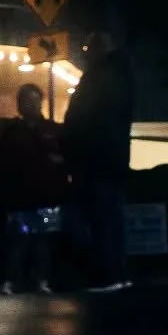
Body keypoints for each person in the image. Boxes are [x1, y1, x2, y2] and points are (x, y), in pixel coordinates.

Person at [62, 31, 136, 292]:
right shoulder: (121, 75)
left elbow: (83, 119)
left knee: (102, 219)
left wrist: (70, 149)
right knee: (113, 217)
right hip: (112, 158)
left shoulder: (99, 77)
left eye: (87, 47)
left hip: (95, 159)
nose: (85, 53)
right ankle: (119, 272)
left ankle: (109, 274)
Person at [0, 84, 68, 294]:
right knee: (19, 241)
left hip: (45, 196)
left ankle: (40, 279)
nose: (30, 105)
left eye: (33, 100)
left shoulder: (52, 131)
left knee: (43, 241)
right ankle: (14, 279)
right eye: (26, 101)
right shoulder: (12, 133)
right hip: (20, 197)